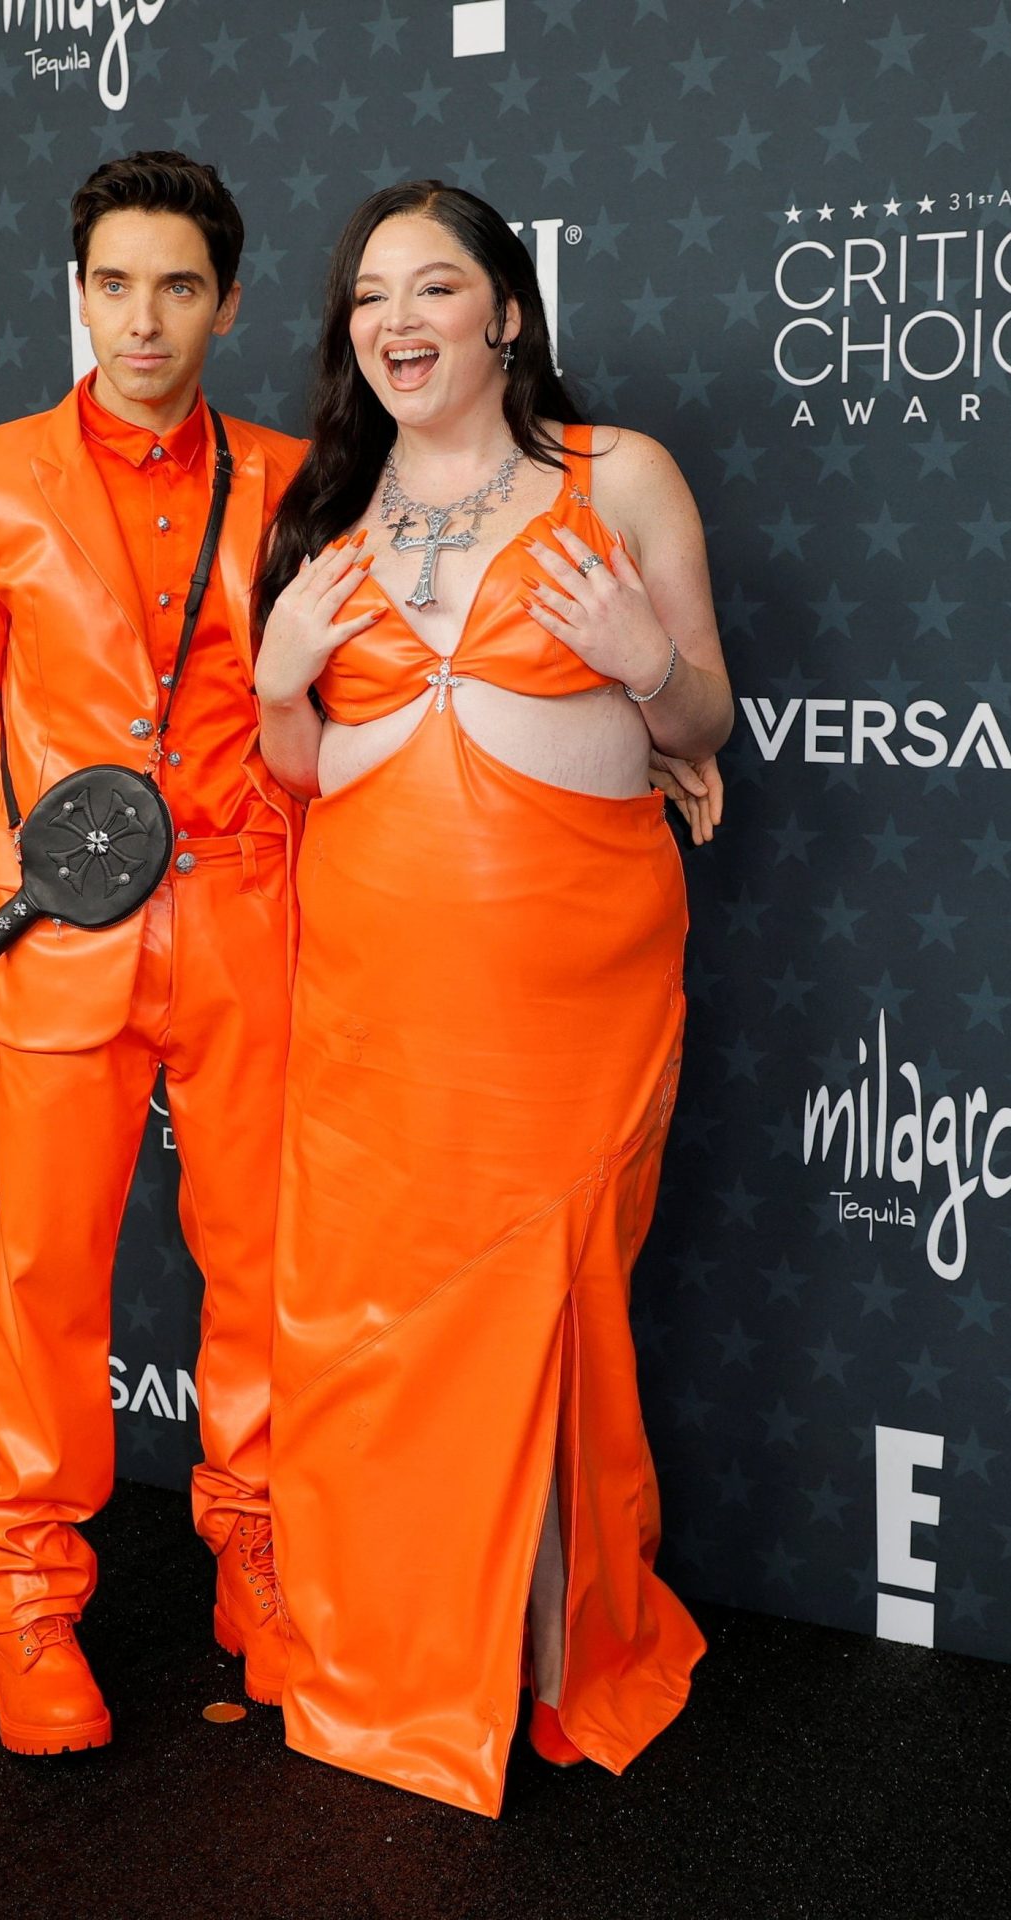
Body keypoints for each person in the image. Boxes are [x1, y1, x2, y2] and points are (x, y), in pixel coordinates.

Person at [251, 181, 732, 1817]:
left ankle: (546, 1655)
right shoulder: (321, 516)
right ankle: (414, 1659)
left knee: (547, 1295)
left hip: (573, 977)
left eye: (436, 285)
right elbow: (302, 774)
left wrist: (643, 662)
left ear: (506, 314)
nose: (399, 319)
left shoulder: (620, 479)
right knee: (391, 1328)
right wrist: (271, 684)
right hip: (381, 987)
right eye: (371, 295)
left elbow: (707, 723)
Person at [0, 152, 309, 1756]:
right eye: (116, 284)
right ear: (77, 292)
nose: (144, 319)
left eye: (180, 286)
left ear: (227, 300)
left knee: (263, 1272)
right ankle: (30, 1599)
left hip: (251, 926)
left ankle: (255, 1556)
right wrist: (69, 855)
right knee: (48, 1278)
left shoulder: (288, 478)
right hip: (68, 943)